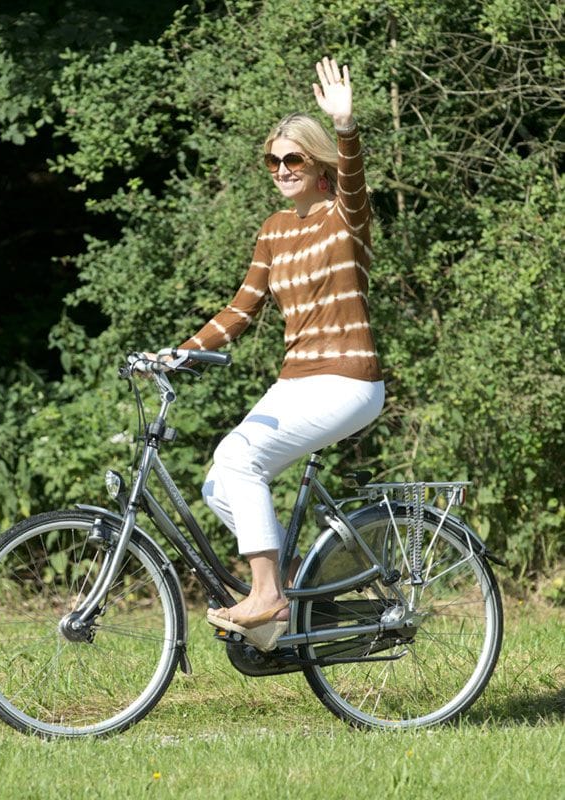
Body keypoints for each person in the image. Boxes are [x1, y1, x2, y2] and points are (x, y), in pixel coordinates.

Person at [174, 57, 384, 651]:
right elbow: (241, 311)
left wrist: (346, 127)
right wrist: (177, 354)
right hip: (295, 381)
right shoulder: (273, 229)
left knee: (241, 461)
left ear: (318, 165)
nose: (282, 169)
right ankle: (290, 592)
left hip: (347, 379)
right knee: (220, 482)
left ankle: (266, 598)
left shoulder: (345, 218)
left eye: (293, 158)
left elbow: (357, 184)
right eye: (274, 160)